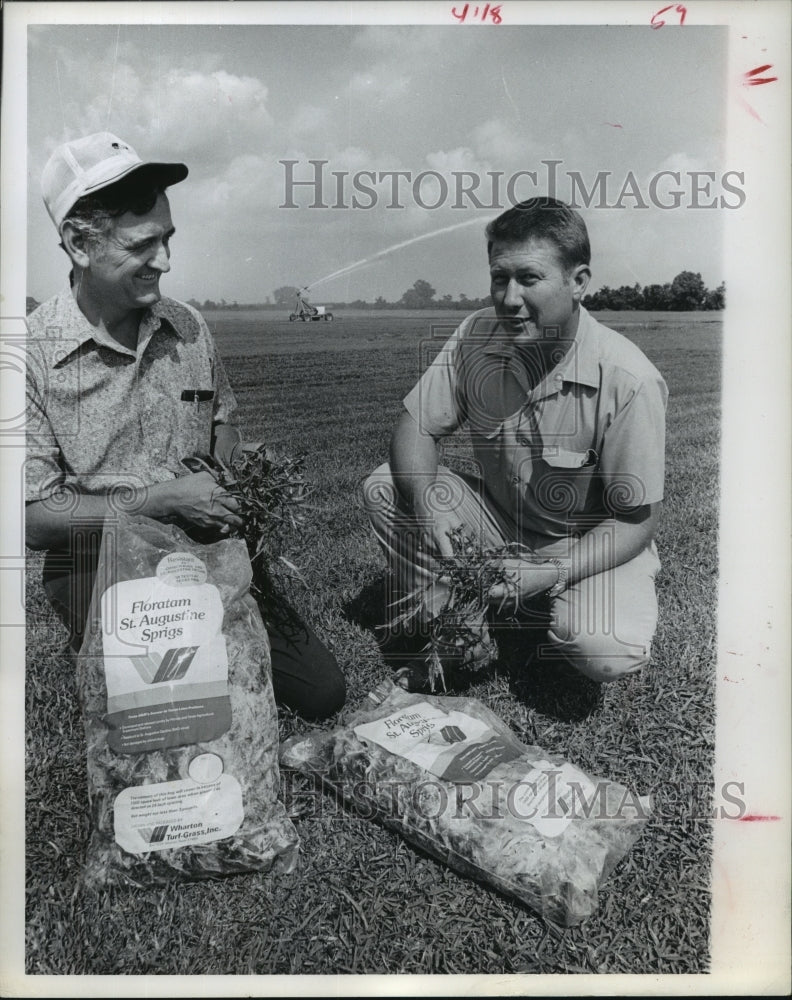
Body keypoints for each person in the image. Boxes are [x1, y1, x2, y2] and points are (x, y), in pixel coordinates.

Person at [26, 131, 345, 720]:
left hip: (205, 551)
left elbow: (224, 419)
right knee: (181, 709)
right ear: (78, 243)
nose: (166, 262)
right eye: (144, 245)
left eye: (168, 239)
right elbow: (35, 518)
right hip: (98, 565)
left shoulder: (188, 325)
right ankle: (110, 647)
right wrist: (166, 500)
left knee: (323, 694)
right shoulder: (30, 356)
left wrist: (230, 472)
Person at [364, 197, 668, 692]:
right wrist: (427, 504)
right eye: (499, 278)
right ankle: (454, 630)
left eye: (529, 278)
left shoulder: (628, 379)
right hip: (503, 525)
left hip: (588, 546)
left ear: (578, 282)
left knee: (605, 649)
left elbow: (635, 520)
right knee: (386, 486)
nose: (508, 298)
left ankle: (535, 601)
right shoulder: (476, 334)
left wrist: (550, 572)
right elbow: (415, 426)